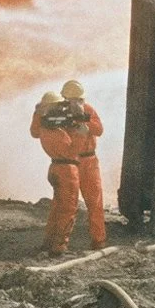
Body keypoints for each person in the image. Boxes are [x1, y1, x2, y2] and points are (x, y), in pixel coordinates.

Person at [30, 91, 86, 255]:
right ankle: (59, 246)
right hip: (67, 170)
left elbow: (34, 131)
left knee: (57, 208)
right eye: (58, 105)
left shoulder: (45, 127)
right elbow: (72, 151)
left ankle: (49, 242)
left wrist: (38, 113)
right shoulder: (56, 133)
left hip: (56, 168)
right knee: (68, 209)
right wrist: (81, 134)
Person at [61, 80, 107, 250]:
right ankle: (60, 243)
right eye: (72, 100)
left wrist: (86, 125)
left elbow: (99, 129)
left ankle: (98, 240)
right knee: (68, 204)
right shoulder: (60, 113)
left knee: (95, 202)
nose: (76, 103)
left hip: (89, 161)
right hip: (71, 162)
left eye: (79, 100)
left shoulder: (88, 110)